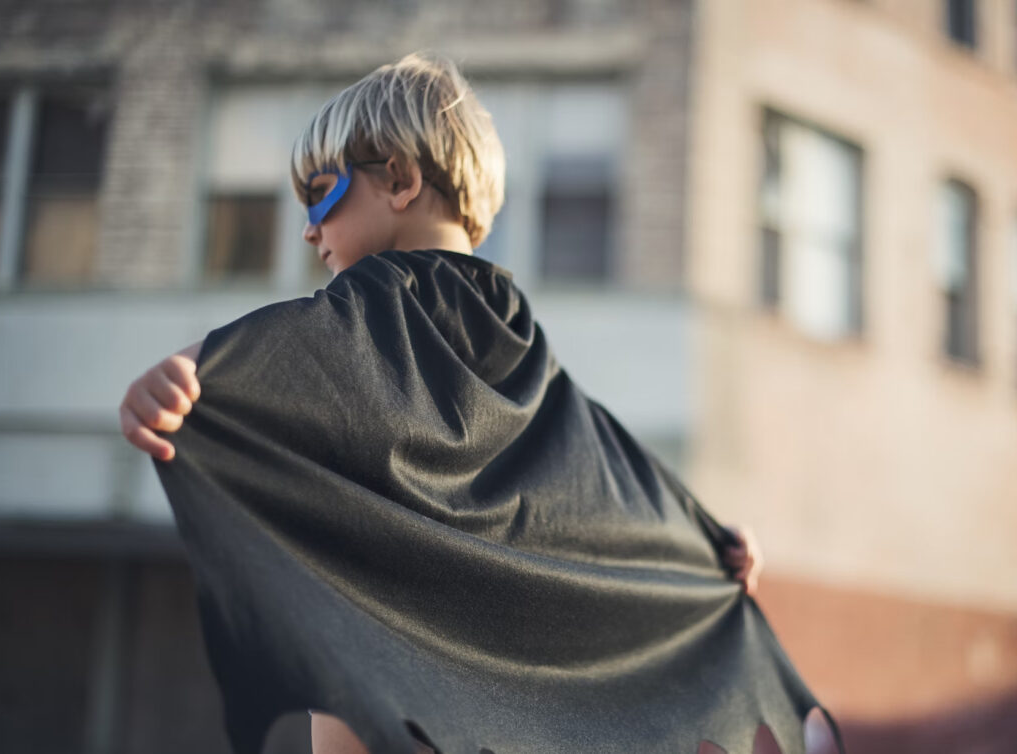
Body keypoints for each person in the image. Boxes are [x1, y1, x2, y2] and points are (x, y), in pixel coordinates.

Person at [119, 53, 836, 754]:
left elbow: (286, 346)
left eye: (321, 194)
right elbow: (596, 464)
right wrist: (703, 539)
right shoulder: (513, 323)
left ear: (398, 178)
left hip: (392, 655)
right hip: (485, 682)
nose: (310, 230)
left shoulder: (377, 298)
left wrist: (189, 374)